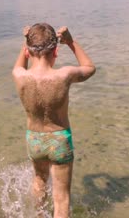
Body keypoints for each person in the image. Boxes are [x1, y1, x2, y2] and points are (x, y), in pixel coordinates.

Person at [12, 23, 96, 218]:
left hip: (34, 140)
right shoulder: (64, 75)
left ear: (27, 51)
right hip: (58, 140)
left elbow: (19, 64)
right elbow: (90, 68)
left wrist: (25, 41)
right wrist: (71, 41)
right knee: (61, 198)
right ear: (55, 51)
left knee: (39, 182)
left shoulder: (19, 76)